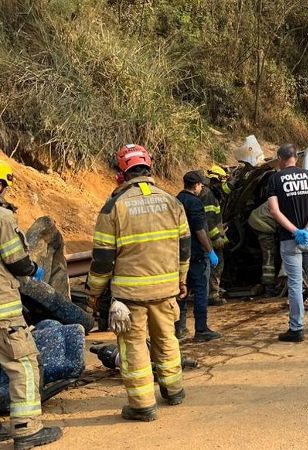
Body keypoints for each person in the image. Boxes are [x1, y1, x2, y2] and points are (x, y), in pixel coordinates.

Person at [86, 144, 190, 421]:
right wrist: (181, 279)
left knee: (133, 348)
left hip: (130, 296)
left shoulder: (114, 207)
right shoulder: (172, 202)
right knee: (167, 340)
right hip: (166, 290)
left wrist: (94, 292)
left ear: (122, 174)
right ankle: (174, 390)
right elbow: (184, 247)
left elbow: (103, 259)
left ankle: (143, 405)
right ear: (150, 168)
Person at [0, 160, 62, 448]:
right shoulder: (2, 218)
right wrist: (32, 267)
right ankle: (26, 429)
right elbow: (16, 260)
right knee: (22, 363)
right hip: (3, 310)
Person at [267, 144, 308, 342]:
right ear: (296, 158)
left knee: (294, 283)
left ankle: (296, 329)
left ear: (280, 159)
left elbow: (274, 211)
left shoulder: (275, 179)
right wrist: (307, 230)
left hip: (289, 240)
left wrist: (294, 231)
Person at [176, 171, 222, 342]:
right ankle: (201, 329)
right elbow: (199, 230)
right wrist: (210, 251)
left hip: (180, 255)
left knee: (181, 291)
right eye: (200, 184)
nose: (202, 186)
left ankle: (179, 329)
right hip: (196, 255)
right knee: (201, 291)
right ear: (195, 185)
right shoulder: (195, 203)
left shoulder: (176, 200)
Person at [200, 168, 227, 306]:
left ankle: (211, 292)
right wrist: (216, 238)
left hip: (206, 237)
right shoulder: (209, 196)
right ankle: (213, 295)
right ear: (215, 181)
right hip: (209, 239)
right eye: (221, 182)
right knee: (217, 265)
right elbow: (209, 221)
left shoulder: (208, 193)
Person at [247, 198, 278, 296]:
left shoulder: (283, 194)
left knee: (268, 255)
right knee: (269, 256)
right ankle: (269, 288)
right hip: (262, 224)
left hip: (257, 219)